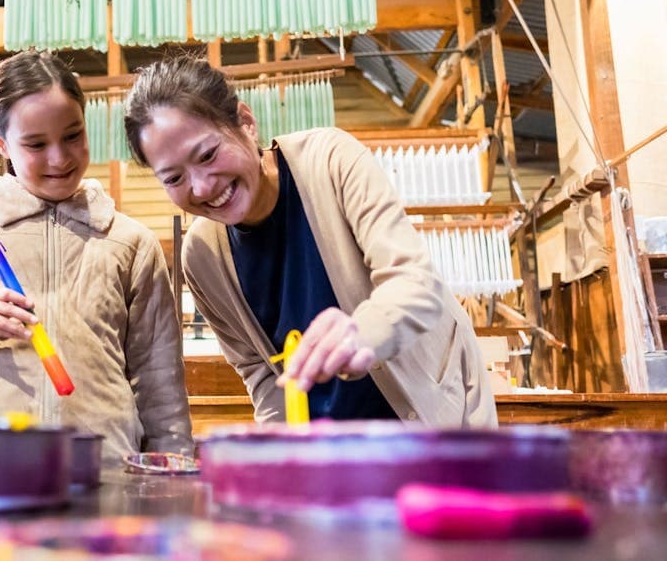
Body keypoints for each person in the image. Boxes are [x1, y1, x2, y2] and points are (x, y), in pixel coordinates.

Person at [123, 57, 497, 427]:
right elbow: (261, 373)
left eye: (207, 154)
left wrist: (361, 333)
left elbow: (414, 283)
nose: (202, 187)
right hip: (333, 457)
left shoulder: (330, 160)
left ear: (246, 123)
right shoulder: (202, 256)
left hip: (434, 419)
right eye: (173, 178)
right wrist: (281, 451)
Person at [0, 51, 194, 461]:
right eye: (36, 144)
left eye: (73, 135)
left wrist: (172, 465)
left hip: (104, 474)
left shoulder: (130, 243)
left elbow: (160, 379)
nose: (60, 157)